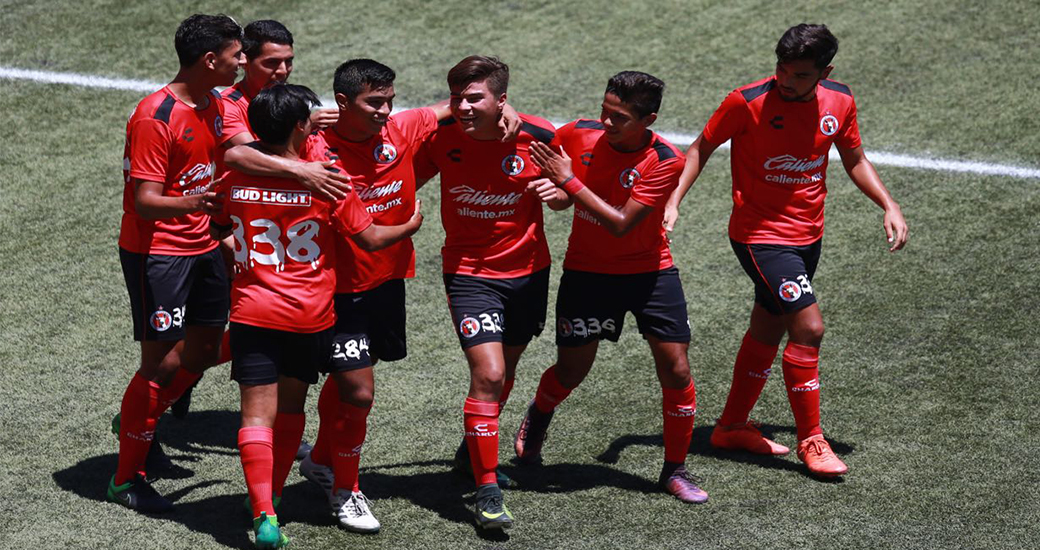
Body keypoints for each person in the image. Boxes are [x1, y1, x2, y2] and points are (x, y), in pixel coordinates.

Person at [224, 58, 520, 531]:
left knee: (346, 391)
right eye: (374, 103)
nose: (385, 111)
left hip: (384, 284)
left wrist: (508, 111)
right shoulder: (316, 144)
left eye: (389, 100)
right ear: (342, 104)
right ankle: (345, 490)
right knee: (357, 393)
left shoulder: (405, 126)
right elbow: (240, 155)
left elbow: (457, 107)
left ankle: (315, 467)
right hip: (334, 292)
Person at [663, 24, 909, 478]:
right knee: (809, 327)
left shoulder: (840, 101)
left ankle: (731, 426)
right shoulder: (748, 101)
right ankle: (812, 441)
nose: (785, 79)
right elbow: (700, 148)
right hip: (760, 237)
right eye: (781, 68)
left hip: (808, 237)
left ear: (824, 72)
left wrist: (888, 204)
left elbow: (854, 158)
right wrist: (674, 200)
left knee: (768, 325)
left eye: (797, 74)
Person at [211, 83, 422, 546]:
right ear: (301, 127)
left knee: (255, 419)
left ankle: (265, 511)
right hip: (309, 314)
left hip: (251, 311)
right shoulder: (328, 179)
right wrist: (410, 225)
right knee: (290, 410)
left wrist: (243, 259)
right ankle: (281, 493)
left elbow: (218, 223)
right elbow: (368, 240)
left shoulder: (235, 178)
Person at [516, 71, 708, 504]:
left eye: (619, 117)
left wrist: (568, 181)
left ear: (648, 119)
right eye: (605, 110)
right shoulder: (578, 134)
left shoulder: (665, 161)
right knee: (572, 371)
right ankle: (539, 413)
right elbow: (550, 166)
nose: (606, 122)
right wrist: (557, 187)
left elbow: (620, 223)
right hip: (588, 273)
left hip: (650, 273)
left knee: (676, 368)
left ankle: (674, 469)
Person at [415, 55, 557, 530]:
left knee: (507, 369)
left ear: (501, 99)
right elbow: (399, 181)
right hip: (469, 274)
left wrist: (558, 193)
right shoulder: (440, 138)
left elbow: (568, 181)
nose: (463, 106)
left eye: (474, 97)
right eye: (457, 97)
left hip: (529, 273)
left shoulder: (536, 135)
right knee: (490, 374)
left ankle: (470, 452)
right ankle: (487, 488)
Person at [108, 13, 242, 513]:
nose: (242, 62)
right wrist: (197, 203)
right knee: (161, 363)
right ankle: (127, 477)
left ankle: (141, 420)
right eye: (236, 55)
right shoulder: (155, 116)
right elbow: (144, 201)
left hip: (203, 243)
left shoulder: (214, 104)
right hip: (158, 252)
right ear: (210, 60)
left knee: (203, 349)